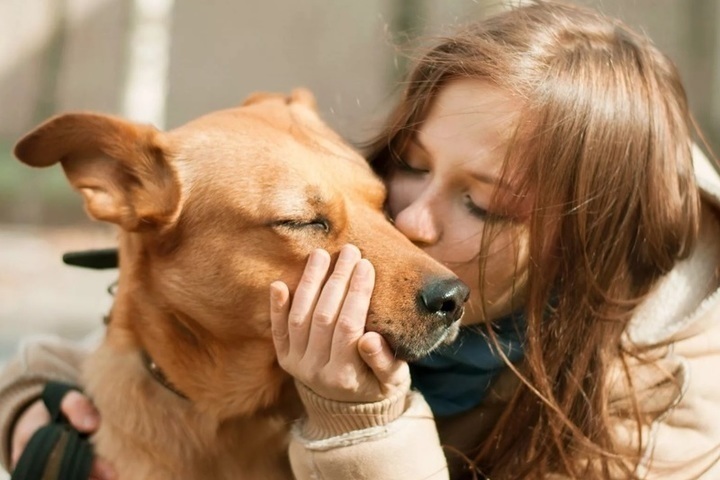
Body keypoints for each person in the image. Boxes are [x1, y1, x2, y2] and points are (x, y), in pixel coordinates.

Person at [3, 1, 720, 478]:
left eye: (486, 204)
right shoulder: (322, 247)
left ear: (585, 242)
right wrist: (30, 411)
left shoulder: (667, 417)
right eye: (407, 167)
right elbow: (146, 340)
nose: (408, 227)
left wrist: (358, 417)